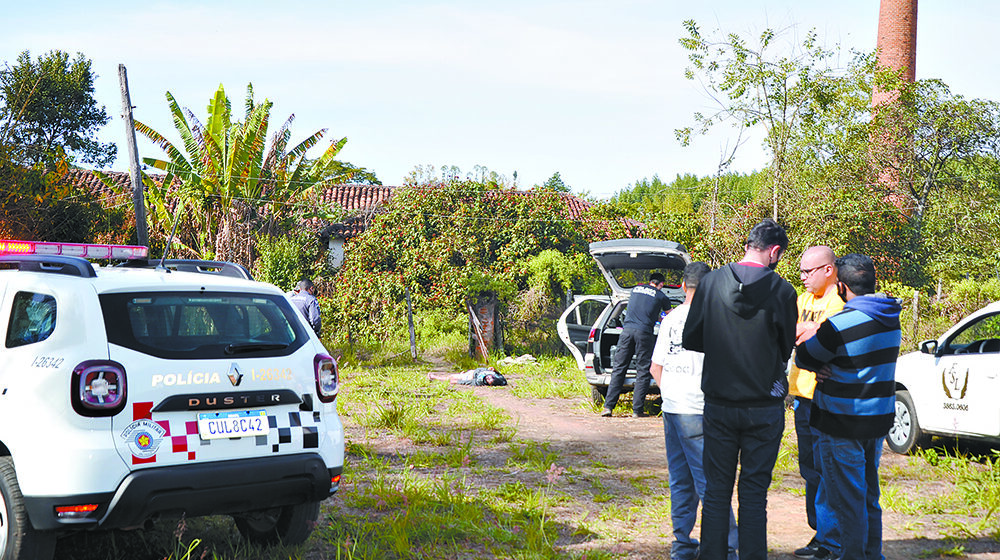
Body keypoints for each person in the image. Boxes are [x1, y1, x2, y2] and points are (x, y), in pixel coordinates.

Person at [682, 218, 797, 560]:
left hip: (720, 402)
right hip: (764, 405)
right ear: (775, 251)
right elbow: (784, 348)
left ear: (748, 244)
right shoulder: (783, 291)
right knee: (753, 493)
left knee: (716, 492)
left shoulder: (711, 282)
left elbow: (691, 337)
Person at [795, 254, 901, 560]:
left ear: (841, 286)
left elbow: (805, 357)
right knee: (869, 496)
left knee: (847, 500)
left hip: (842, 423)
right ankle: (872, 554)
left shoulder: (840, 324)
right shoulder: (890, 316)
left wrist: (813, 343)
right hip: (877, 421)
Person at [650, 262, 739, 560]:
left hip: (672, 409)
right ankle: (725, 547)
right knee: (711, 482)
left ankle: (683, 546)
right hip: (701, 410)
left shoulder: (670, 318)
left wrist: (671, 395)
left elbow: (655, 367)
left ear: (683, 286)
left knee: (681, 480)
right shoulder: (717, 318)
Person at [788, 246, 844, 559]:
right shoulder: (802, 299)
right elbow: (791, 332)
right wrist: (810, 329)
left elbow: (829, 340)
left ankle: (830, 538)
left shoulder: (840, 301)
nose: (803, 278)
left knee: (828, 471)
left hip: (825, 397)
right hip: (802, 396)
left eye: (808, 272)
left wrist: (812, 331)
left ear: (828, 269)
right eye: (801, 271)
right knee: (810, 469)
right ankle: (819, 532)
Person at [601, 272, 672, 418]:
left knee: (619, 368)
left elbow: (641, 309)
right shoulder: (661, 296)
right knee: (643, 370)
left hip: (626, 332)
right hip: (644, 333)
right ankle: (637, 410)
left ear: (649, 281)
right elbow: (670, 315)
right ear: (661, 284)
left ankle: (608, 407)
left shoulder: (635, 289)